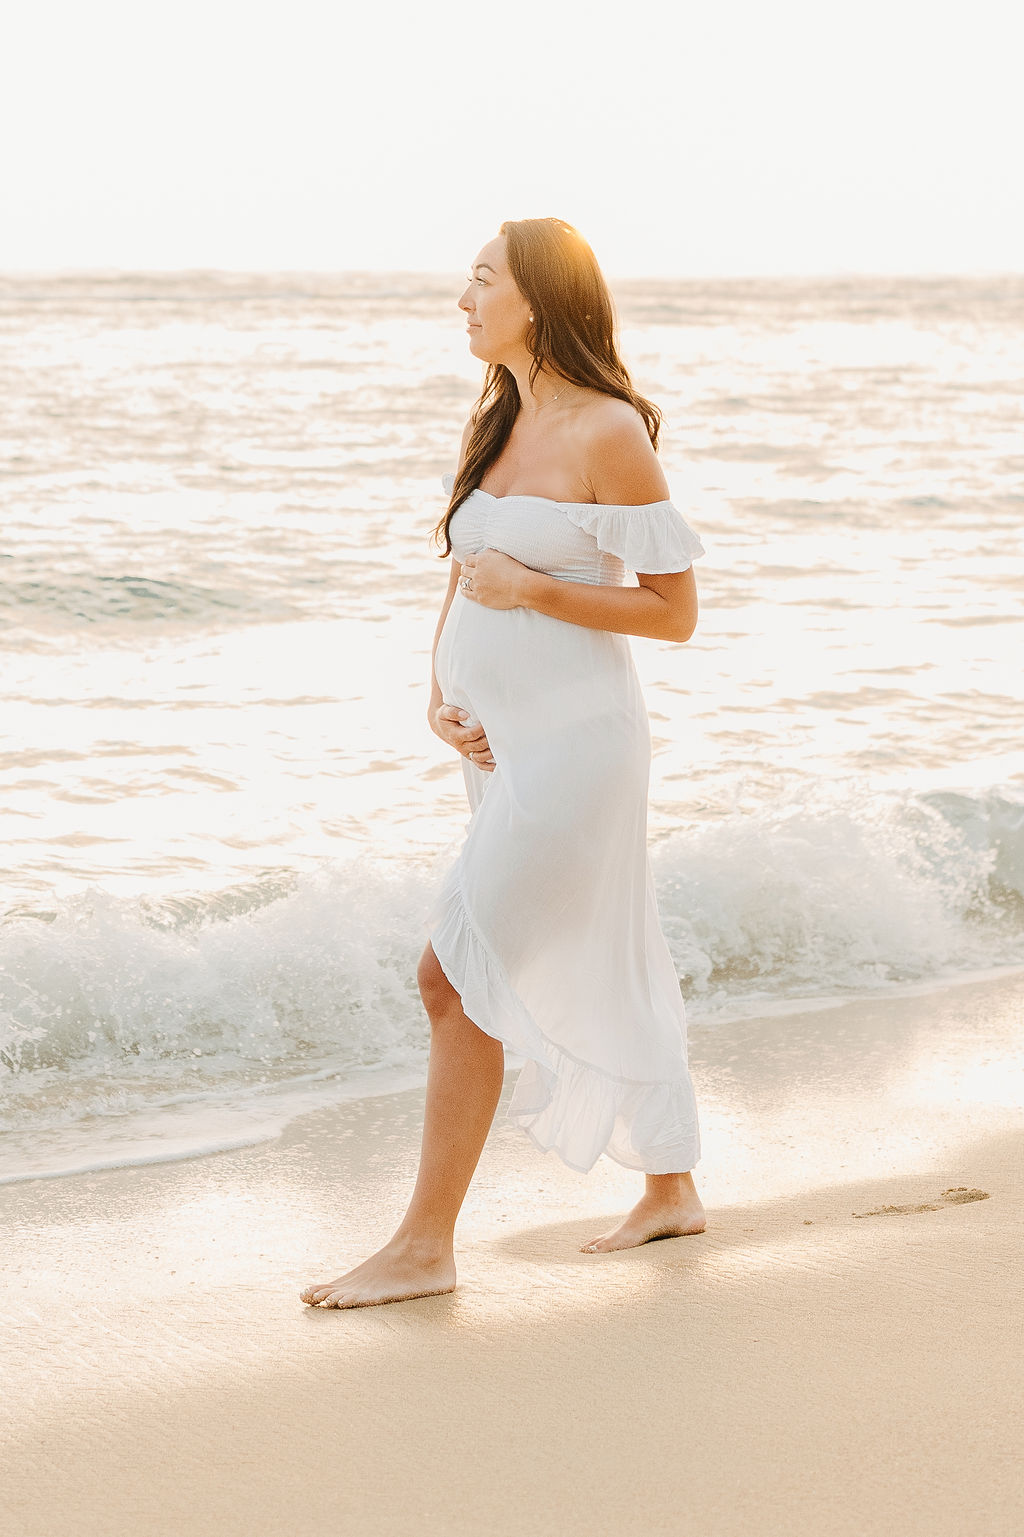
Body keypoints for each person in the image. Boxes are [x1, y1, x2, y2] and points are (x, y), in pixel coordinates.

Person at [301, 217, 707, 1311]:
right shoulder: (497, 416)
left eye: (484, 279)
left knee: (451, 976)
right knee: (615, 946)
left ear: (541, 300)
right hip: (499, 749)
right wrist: (437, 697)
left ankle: (425, 1245)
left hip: (580, 748)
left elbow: (673, 613)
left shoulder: (607, 429)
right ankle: (669, 1183)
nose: (464, 295)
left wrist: (535, 593)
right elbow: (461, 569)